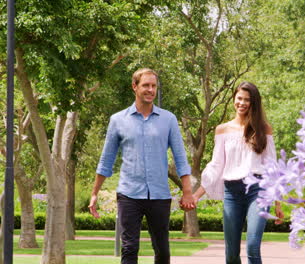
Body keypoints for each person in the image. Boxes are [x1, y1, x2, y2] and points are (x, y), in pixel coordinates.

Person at [88, 68, 195, 264]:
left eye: (154, 86)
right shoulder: (118, 120)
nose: (150, 90)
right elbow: (106, 160)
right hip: (129, 194)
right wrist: (95, 193)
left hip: (159, 195)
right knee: (129, 248)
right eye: (146, 85)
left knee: (162, 250)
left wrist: (187, 191)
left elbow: (180, 158)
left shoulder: (168, 119)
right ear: (134, 87)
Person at [193, 81, 284, 264]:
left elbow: (272, 165)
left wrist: (278, 203)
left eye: (247, 100)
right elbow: (216, 166)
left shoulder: (264, 129)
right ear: (234, 98)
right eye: (239, 98)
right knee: (232, 253)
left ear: (254, 103)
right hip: (232, 192)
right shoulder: (222, 130)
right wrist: (196, 195)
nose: (242, 103)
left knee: (252, 246)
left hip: (258, 190)